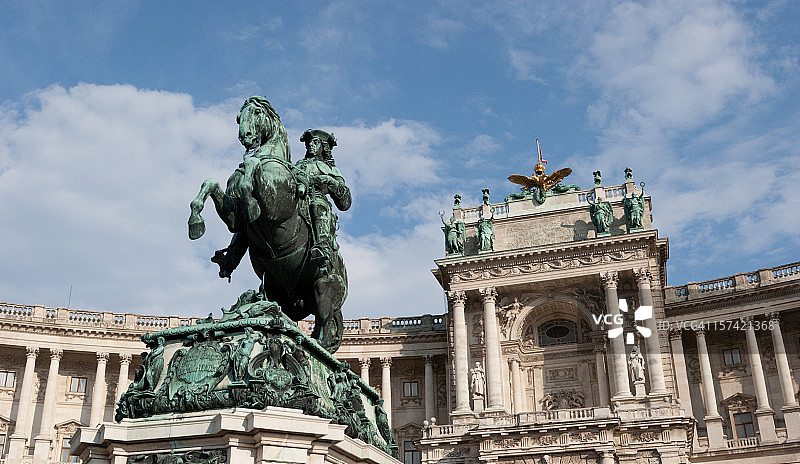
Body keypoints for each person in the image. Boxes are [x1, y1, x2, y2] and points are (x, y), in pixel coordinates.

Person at [294, 129, 352, 272]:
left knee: (318, 206)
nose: (310, 145)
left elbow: (345, 203)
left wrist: (329, 180)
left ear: (324, 146)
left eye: (315, 142)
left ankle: (323, 247)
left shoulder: (332, 170)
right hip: (296, 198)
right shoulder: (298, 165)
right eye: (309, 143)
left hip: (317, 198)